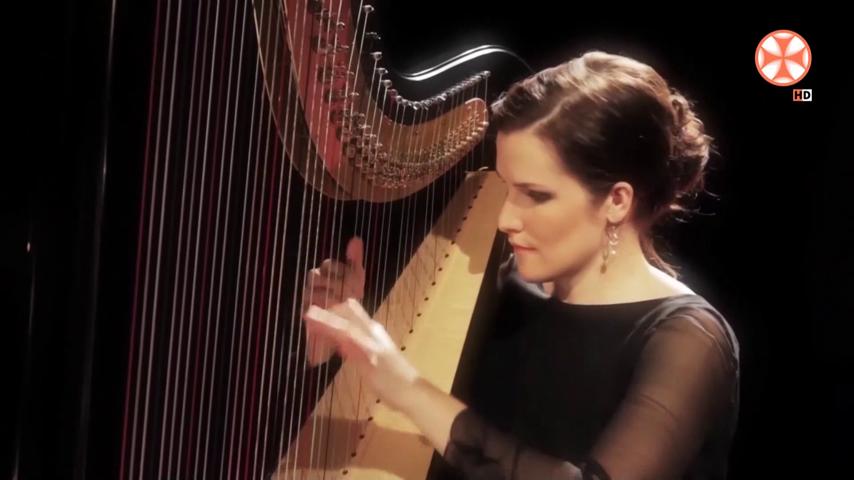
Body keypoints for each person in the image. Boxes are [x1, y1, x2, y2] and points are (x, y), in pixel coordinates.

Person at [301, 50, 740, 480]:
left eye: (535, 195)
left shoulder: (688, 340)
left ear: (616, 201)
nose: (505, 218)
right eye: (507, 188)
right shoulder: (501, 290)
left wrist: (408, 388)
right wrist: (337, 343)